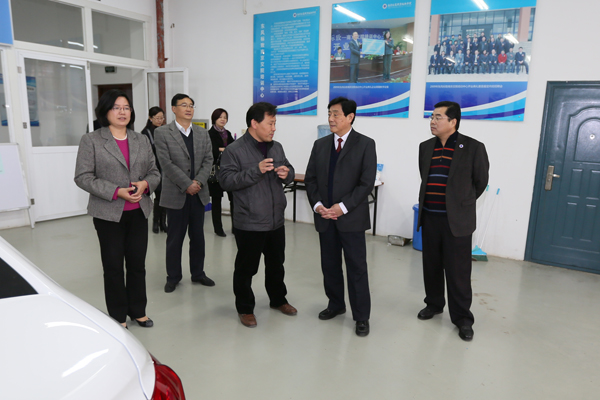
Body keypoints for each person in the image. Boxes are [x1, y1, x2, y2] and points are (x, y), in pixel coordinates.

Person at [74, 89, 160, 329]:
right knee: (113, 267)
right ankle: (118, 316)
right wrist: (116, 191)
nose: (122, 112)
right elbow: (82, 177)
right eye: (116, 107)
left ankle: (138, 311)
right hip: (108, 214)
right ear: (105, 111)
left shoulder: (141, 139)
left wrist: (145, 184)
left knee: (137, 265)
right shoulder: (91, 140)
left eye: (126, 107)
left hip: (139, 211)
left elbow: (154, 172)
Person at [219, 102, 297, 328]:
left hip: (275, 220)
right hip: (249, 221)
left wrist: (287, 173)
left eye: (275, 123)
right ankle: (245, 308)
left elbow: (290, 170)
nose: (274, 128)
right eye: (270, 123)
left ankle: (278, 300)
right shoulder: (235, 150)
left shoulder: (277, 147)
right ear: (254, 123)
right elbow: (226, 181)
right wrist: (256, 170)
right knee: (246, 268)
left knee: (276, 264)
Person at [417, 101, 489, 342]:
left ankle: (463, 319)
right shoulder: (425, 147)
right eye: (432, 117)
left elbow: (480, 182)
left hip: (456, 222)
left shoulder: (473, 147)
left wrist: (460, 204)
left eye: (438, 117)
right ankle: (434, 304)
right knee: (431, 266)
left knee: (458, 272)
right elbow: (425, 177)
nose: (432, 121)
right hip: (430, 217)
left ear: (453, 122)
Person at [305, 97, 377, 337]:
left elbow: (366, 184)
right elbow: (311, 179)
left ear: (350, 117)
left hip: (351, 218)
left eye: (336, 114)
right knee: (330, 265)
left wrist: (342, 207)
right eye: (329, 114)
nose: (331, 118)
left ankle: (361, 316)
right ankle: (335, 304)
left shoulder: (365, 144)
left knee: (357, 268)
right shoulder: (320, 145)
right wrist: (318, 206)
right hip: (325, 217)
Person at [154, 93, 215, 293]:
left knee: (198, 238)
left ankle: (198, 273)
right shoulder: (162, 133)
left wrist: (198, 182)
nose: (189, 108)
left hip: (198, 194)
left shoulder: (202, 133)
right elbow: (165, 163)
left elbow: (208, 160)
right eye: (184, 105)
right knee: (175, 239)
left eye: (191, 105)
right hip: (176, 194)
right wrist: (187, 184)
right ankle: (173, 277)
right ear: (174, 109)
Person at [207, 108, 235, 237]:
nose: (223, 119)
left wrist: (223, 149)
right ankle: (218, 228)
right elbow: (211, 151)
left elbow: (234, 148)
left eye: (225, 117)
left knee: (234, 199)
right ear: (214, 119)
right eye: (220, 117)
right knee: (216, 201)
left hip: (229, 171)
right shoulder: (209, 134)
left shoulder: (227, 133)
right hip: (216, 172)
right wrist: (224, 150)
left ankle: (235, 227)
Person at [141, 106, 167, 234]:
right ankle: (156, 222)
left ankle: (163, 222)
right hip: (153, 169)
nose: (160, 120)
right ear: (150, 118)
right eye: (157, 118)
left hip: (165, 168)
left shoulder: (165, 131)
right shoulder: (145, 133)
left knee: (164, 196)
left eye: (162, 118)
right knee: (159, 195)